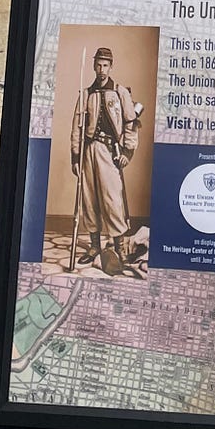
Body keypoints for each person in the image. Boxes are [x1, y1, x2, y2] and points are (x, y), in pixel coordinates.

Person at [70, 46, 147, 274]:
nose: (101, 69)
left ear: (111, 66)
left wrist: (127, 152)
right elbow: (76, 128)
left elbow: (131, 124)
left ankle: (119, 248)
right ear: (94, 66)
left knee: (113, 199)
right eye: (98, 65)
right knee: (90, 199)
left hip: (109, 151)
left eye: (105, 65)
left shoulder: (121, 92)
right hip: (88, 151)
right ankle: (94, 246)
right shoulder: (85, 95)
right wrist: (76, 156)